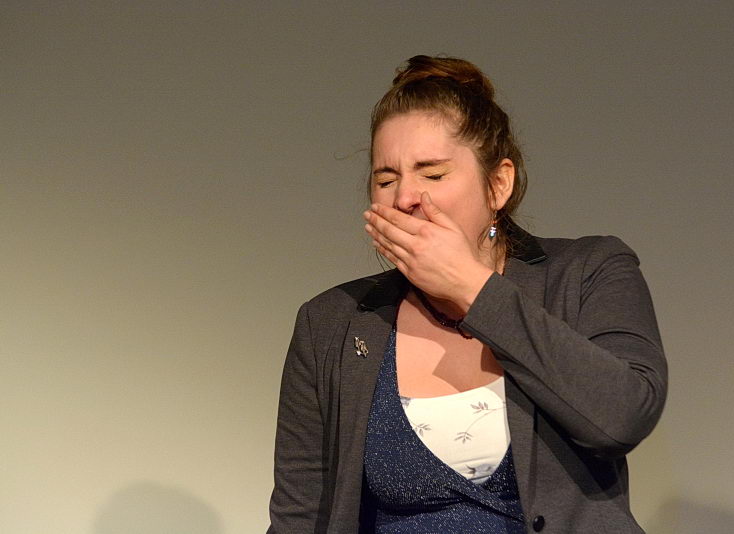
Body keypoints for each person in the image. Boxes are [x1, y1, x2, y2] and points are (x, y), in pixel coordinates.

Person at [267, 55, 667, 534]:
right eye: (386, 179)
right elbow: (300, 517)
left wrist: (469, 287)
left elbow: (622, 418)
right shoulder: (331, 323)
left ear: (498, 184)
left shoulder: (587, 272)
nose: (404, 198)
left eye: (432, 174)